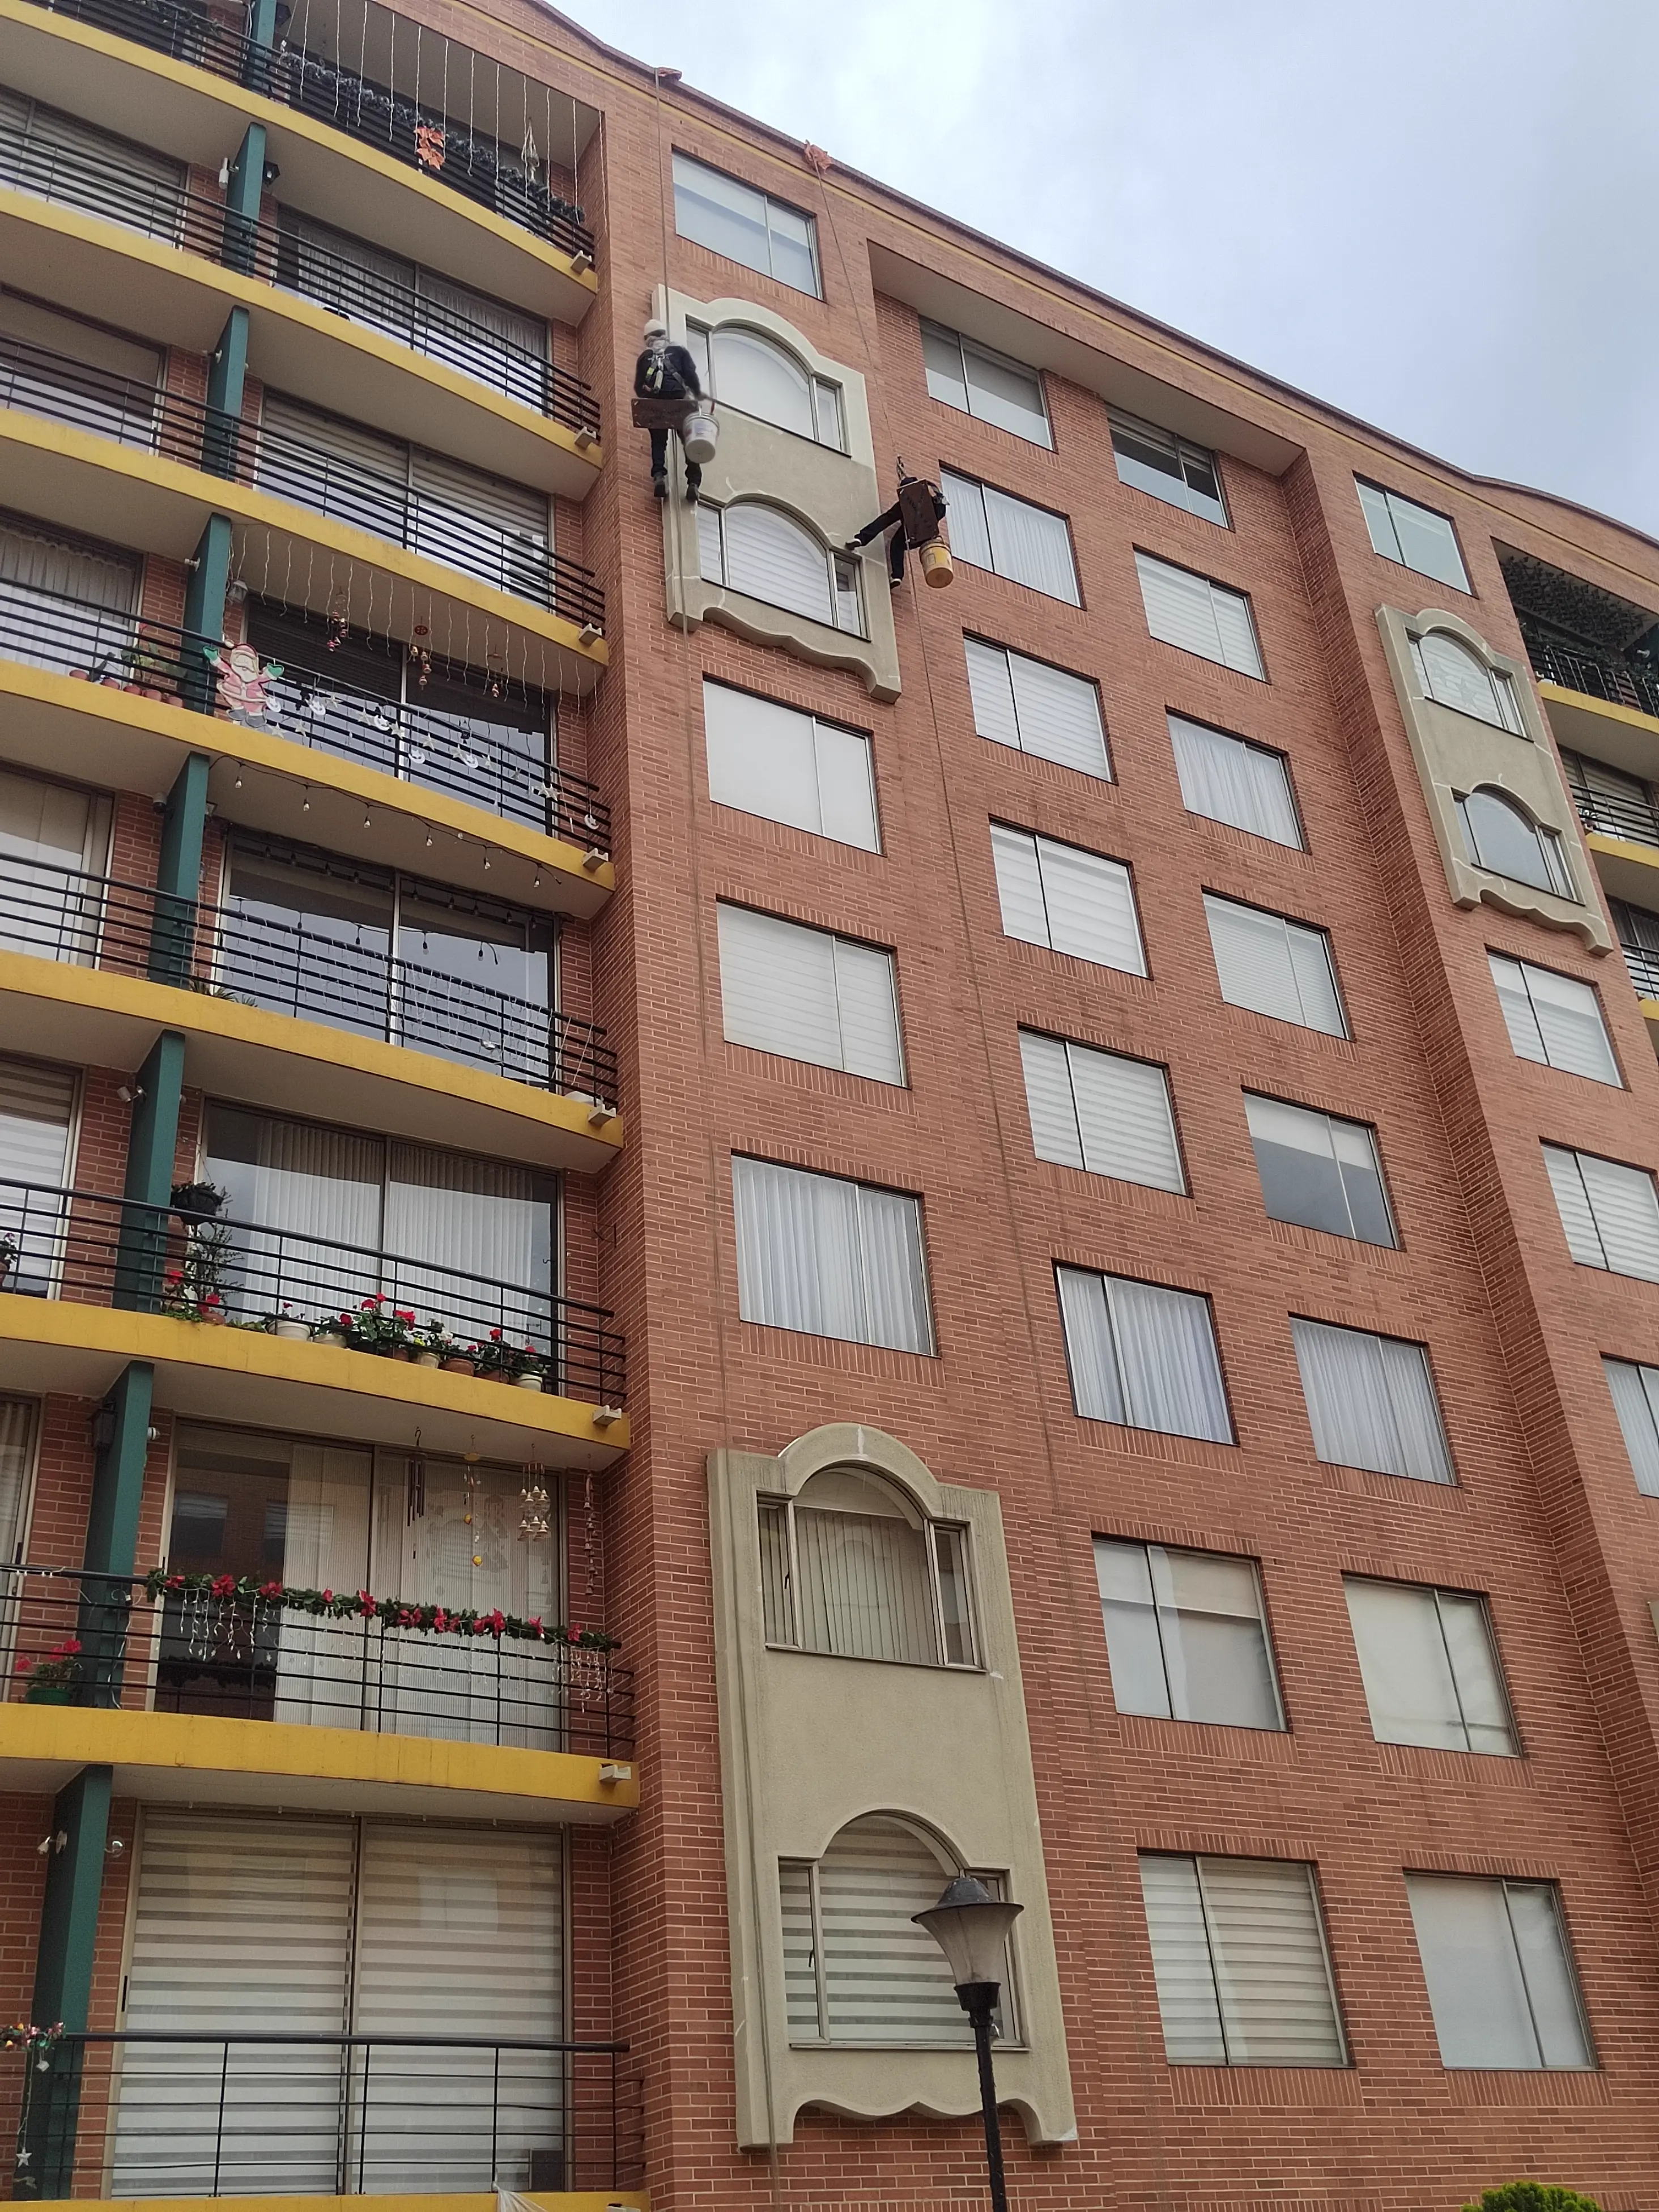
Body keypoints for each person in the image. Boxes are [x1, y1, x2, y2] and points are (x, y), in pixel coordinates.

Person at [633, 316, 705, 500]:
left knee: (658, 442)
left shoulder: (645, 357)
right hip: (679, 402)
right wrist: (697, 396)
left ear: (647, 338)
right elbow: (691, 375)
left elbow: (639, 388)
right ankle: (693, 483)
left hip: (656, 405)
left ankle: (659, 477)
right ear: (664, 335)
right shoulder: (678, 351)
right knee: (690, 443)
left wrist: (651, 395)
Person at [848, 471, 948, 584]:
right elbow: (941, 511)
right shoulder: (932, 492)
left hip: (923, 519)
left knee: (888, 520)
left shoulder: (921, 493)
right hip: (926, 528)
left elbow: (887, 519)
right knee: (897, 544)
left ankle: (862, 539)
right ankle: (897, 576)